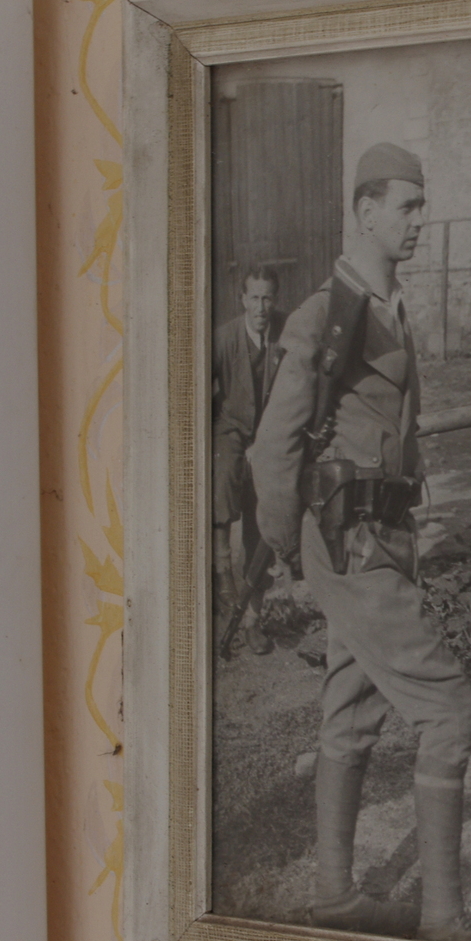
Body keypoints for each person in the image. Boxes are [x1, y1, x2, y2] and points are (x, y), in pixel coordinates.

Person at [248, 143, 471, 941]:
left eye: (422, 205)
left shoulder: (385, 307)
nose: (419, 220)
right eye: (406, 206)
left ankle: (335, 896)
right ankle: (444, 919)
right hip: (350, 540)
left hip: (383, 532)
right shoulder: (327, 314)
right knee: (447, 706)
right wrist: (288, 546)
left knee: (350, 710)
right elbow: (272, 447)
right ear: (365, 209)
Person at [213, 262, 286, 655]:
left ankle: (253, 619)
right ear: (242, 299)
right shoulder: (224, 339)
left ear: (275, 300)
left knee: (264, 521)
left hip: (269, 440)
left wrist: (271, 441)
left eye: (267, 299)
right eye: (254, 298)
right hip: (230, 431)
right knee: (222, 475)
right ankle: (222, 570)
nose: (261, 307)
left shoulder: (286, 334)